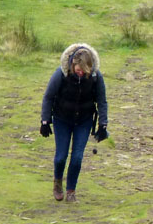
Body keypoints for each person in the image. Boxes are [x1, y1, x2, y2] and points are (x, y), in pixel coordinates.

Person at [40, 43, 108, 203]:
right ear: (72, 64)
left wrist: (103, 124)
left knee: (77, 157)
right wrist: (45, 120)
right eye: (78, 69)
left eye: (84, 71)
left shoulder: (95, 77)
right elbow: (48, 97)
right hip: (62, 119)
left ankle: (71, 191)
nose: (80, 73)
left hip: (84, 121)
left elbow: (102, 101)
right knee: (60, 157)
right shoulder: (61, 74)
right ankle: (57, 183)